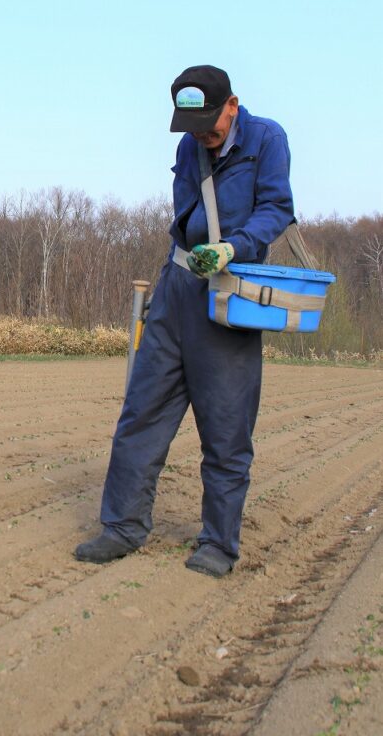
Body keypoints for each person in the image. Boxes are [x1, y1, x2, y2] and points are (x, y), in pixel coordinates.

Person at [75, 65, 295, 577]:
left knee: (224, 425)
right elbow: (185, 214)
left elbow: (277, 209)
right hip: (177, 289)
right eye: (192, 125)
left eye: (210, 125)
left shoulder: (267, 139)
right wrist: (191, 258)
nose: (202, 135)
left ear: (232, 105)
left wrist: (231, 248)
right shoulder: (188, 146)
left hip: (227, 294)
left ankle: (218, 543)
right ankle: (123, 527)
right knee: (141, 412)